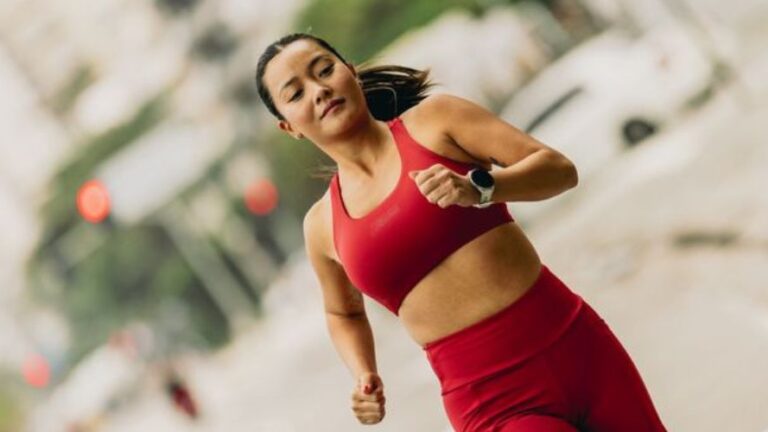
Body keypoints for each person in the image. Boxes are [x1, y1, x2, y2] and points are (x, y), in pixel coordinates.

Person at [255, 32, 667, 432]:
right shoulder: (323, 225)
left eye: (324, 70)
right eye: (296, 93)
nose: (319, 90)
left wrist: (482, 189)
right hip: (493, 403)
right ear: (288, 126)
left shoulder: (436, 121)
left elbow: (560, 170)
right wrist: (363, 373)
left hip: (578, 347)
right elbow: (342, 312)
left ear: (350, 71)